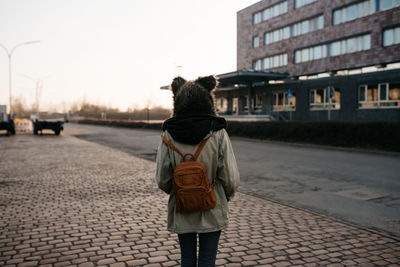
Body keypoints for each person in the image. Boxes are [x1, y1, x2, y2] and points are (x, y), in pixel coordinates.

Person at [155, 75, 240, 267]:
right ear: (208, 101)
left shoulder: (168, 133)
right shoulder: (218, 132)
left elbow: (162, 178)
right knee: (207, 260)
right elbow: (231, 177)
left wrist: (181, 190)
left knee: (187, 259)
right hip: (212, 204)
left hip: (182, 206)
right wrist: (223, 196)